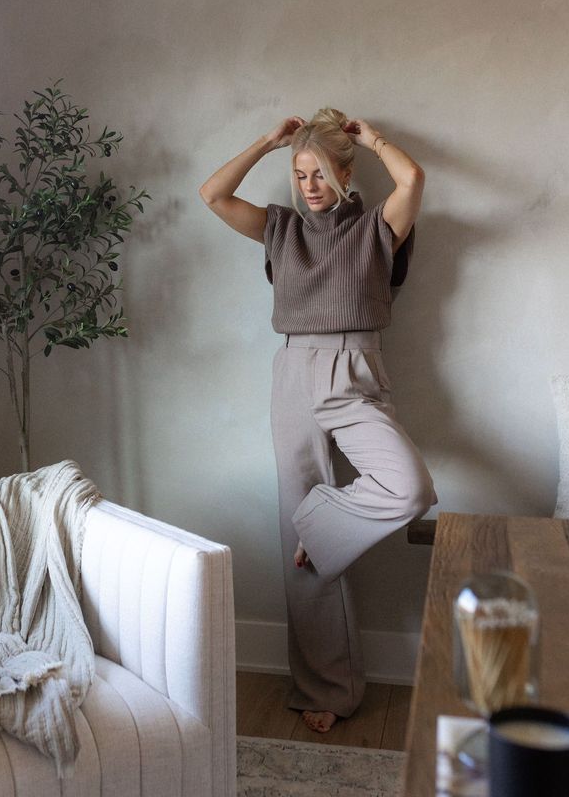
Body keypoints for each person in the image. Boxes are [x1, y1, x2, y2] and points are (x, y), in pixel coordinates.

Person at [199, 107, 436, 734]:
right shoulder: (280, 230)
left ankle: (321, 523)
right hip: (294, 373)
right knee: (295, 543)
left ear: (345, 171)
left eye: (320, 172)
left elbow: (412, 179)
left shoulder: (376, 228)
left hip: (356, 371)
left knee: (407, 486)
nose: (307, 185)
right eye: (299, 173)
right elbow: (213, 194)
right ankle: (322, 688)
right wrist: (267, 142)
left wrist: (371, 136)